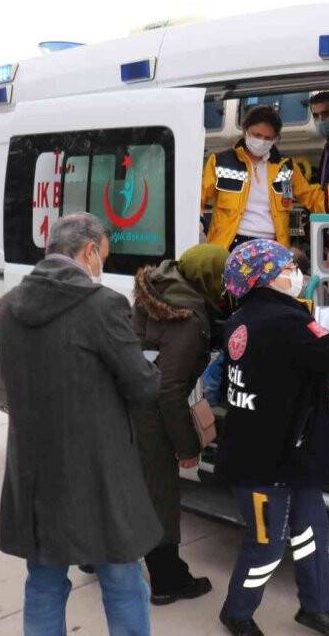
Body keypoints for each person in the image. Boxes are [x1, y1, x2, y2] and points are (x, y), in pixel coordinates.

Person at [0, 213, 163, 636]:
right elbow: (142, 387)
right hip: (98, 473)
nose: (101, 267)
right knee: (123, 580)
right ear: (89, 251)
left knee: (45, 582)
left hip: (34, 472)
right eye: (102, 257)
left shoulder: (6, 307)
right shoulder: (102, 305)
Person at [215, 239, 329, 636]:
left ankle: (315, 609)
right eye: (287, 268)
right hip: (265, 463)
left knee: (312, 534)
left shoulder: (247, 318)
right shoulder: (283, 322)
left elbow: (294, 361)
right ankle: (237, 613)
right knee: (266, 546)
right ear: (267, 279)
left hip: (287, 455)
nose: (296, 275)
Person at [132, 243, 229, 605]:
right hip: (151, 419)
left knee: (128, 487)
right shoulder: (187, 317)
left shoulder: (156, 292)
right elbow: (169, 390)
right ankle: (168, 579)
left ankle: (99, 558)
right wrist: (187, 446)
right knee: (160, 495)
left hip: (127, 405)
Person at [202, 105, 325, 251]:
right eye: (257, 135)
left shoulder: (285, 167)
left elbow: (312, 197)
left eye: (268, 138)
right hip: (229, 245)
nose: (261, 141)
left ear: (276, 139)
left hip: (272, 246)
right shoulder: (220, 162)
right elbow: (198, 197)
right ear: (245, 131)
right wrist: (198, 226)